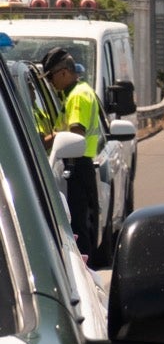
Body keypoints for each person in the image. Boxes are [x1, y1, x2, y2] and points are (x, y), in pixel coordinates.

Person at [41, 48, 101, 258]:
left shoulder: (77, 97)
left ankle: (84, 273)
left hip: (76, 165)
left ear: (64, 72)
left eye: (50, 76)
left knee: (77, 227)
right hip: (78, 166)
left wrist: (44, 141)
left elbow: (75, 134)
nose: (49, 82)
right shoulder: (79, 91)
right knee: (80, 225)